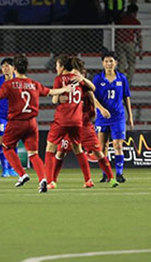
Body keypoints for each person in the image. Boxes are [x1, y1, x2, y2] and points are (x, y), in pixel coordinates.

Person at [0, 54, 73, 193]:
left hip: (16, 123)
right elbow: (51, 92)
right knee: (33, 154)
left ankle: (22, 174)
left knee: (6, 147)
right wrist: (65, 89)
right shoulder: (34, 84)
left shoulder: (9, 84)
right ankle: (43, 179)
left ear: (14, 68)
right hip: (31, 124)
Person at [50, 58, 117, 189]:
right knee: (61, 152)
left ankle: (111, 178)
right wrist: (60, 98)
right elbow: (56, 98)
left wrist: (100, 110)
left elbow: (92, 95)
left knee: (97, 152)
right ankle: (53, 180)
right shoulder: (66, 83)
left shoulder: (82, 84)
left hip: (84, 124)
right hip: (70, 123)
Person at [43, 55, 97, 189]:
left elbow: (55, 100)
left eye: (57, 65)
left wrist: (59, 97)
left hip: (62, 120)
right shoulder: (78, 80)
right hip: (77, 121)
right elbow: (93, 88)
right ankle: (88, 180)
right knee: (78, 149)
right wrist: (83, 79)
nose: (56, 68)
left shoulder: (59, 79)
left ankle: (50, 181)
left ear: (62, 67)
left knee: (50, 148)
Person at [93, 51, 134, 184]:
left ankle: (119, 174)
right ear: (102, 63)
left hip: (118, 116)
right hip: (102, 117)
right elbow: (92, 97)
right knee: (102, 146)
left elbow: (126, 97)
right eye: (106, 61)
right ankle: (106, 174)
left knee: (117, 145)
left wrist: (130, 115)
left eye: (111, 61)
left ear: (116, 63)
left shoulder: (122, 78)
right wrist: (101, 109)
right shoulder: (98, 79)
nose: (109, 64)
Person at [0, 58, 18, 177]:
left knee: (13, 143)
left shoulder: (18, 80)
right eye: (3, 66)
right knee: (2, 141)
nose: (5, 68)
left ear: (13, 67)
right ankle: (5, 169)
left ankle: (12, 168)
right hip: (1, 115)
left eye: (7, 66)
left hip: (15, 116)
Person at [114, 4, 142, 84]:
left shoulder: (120, 19)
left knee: (121, 63)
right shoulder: (135, 21)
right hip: (129, 43)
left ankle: (120, 81)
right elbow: (138, 36)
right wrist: (140, 48)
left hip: (119, 42)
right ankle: (128, 82)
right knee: (131, 63)